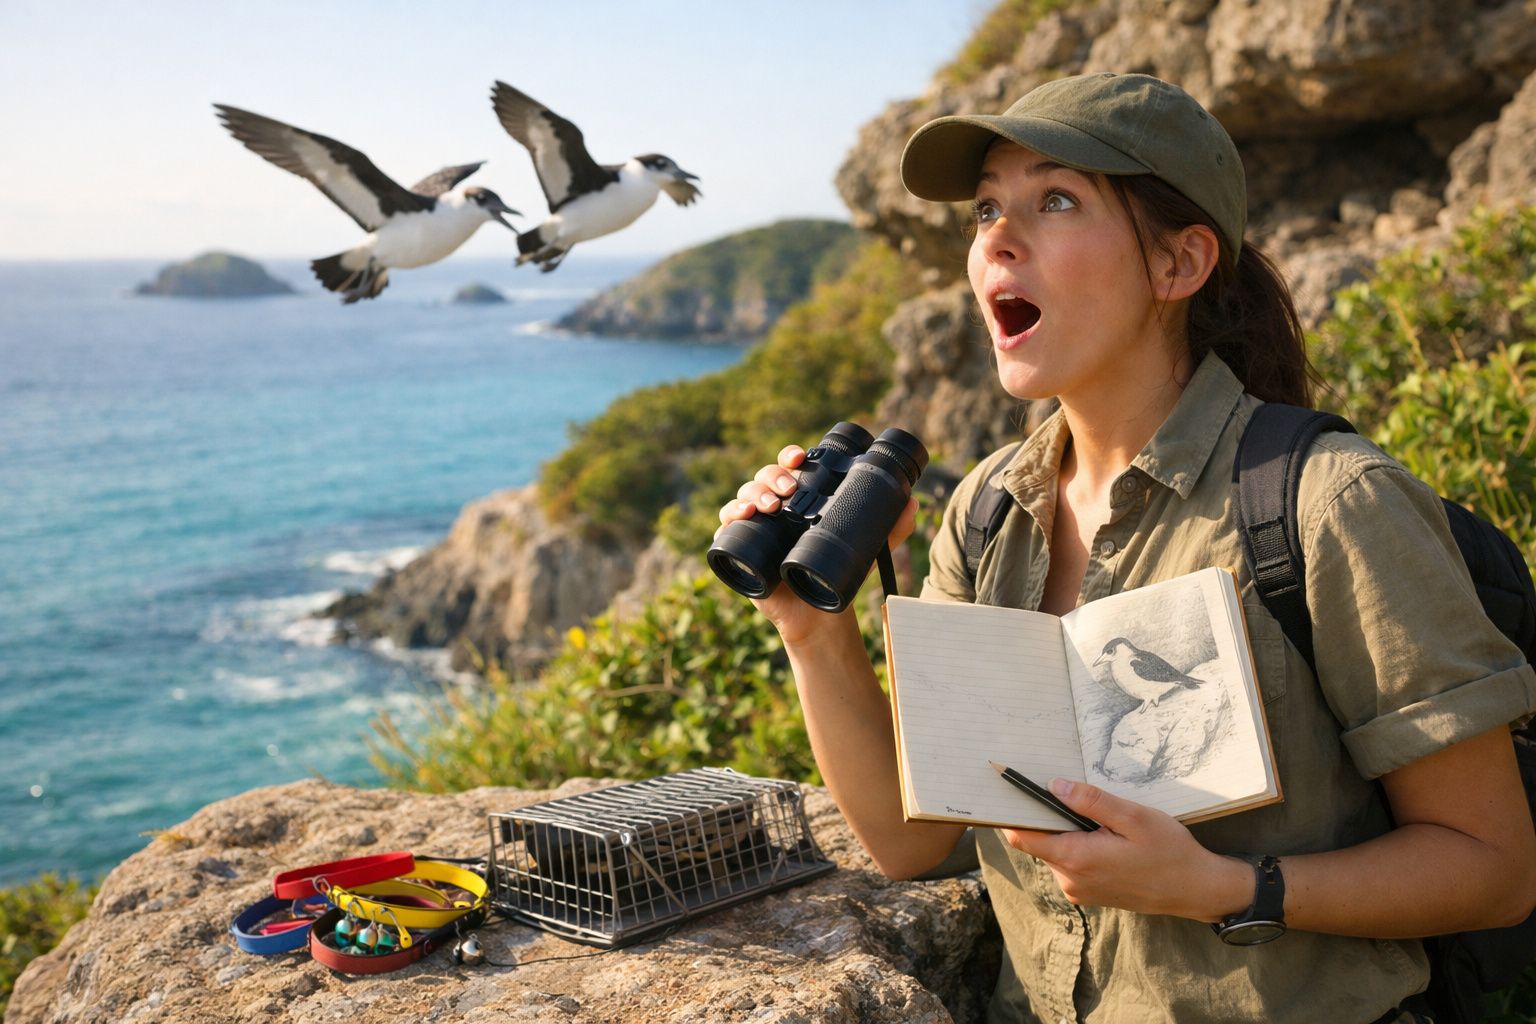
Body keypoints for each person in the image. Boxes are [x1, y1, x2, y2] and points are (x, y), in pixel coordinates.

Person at [716, 72, 1536, 1023]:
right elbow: (912, 842)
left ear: (1179, 264)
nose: (998, 241)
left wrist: (1227, 888)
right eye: (987, 208)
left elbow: (1493, 869)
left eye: (1055, 199)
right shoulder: (986, 514)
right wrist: (809, 627)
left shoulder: (1330, 504)